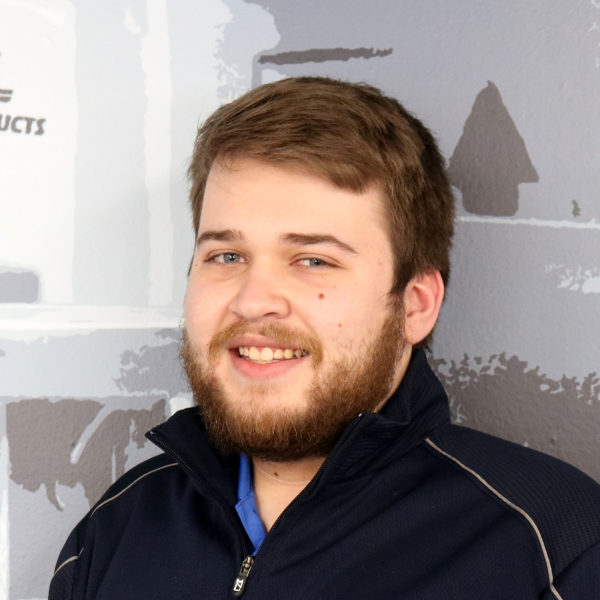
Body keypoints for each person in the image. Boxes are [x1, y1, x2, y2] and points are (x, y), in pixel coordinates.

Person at [50, 77, 600, 599]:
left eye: (314, 259)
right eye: (227, 256)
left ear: (415, 304)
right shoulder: (117, 529)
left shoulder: (555, 550)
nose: (252, 299)